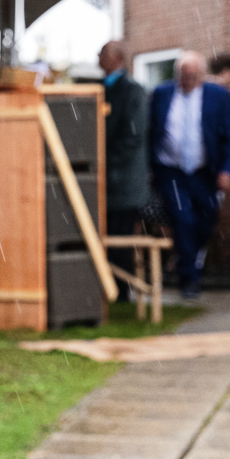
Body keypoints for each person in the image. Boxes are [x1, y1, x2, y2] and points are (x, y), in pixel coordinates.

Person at [149, 50, 230, 300]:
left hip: (204, 171)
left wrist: (227, 170)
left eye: (192, 74)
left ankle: (183, 258)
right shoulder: (162, 93)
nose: (187, 78)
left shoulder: (218, 97)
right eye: (183, 74)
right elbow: (151, 130)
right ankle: (189, 279)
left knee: (207, 219)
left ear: (201, 75)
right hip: (171, 170)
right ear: (177, 74)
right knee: (183, 218)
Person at [100, 41, 148, 293]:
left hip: (124, 183)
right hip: (107, 182)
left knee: (121, 238)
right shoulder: (101, 88)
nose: (98, 57)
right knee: (107, 235)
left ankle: (121, 290)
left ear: (117, 57)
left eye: (103, 53)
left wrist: (102, 160)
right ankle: (109, 287)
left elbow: (132, 137)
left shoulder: (132, 91)